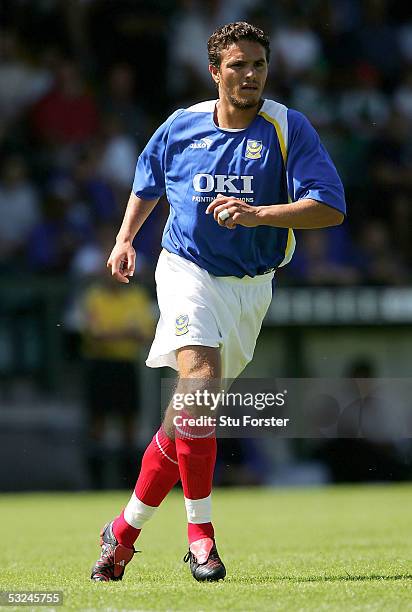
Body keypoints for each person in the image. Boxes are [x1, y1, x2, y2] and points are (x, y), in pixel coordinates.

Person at [90, 21, 345, 583]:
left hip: (251, 286)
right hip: (185, 270)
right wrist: (126, 238)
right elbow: (148, 181)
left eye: (258, 65)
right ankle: (201, 538)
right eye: (238, 65)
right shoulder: (180, 126)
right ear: (215, 72)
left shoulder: (287, 128)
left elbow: (329, 206)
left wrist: (258, 214)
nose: (250, 75)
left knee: (190, 414)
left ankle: (123, 532)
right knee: (199, 385)